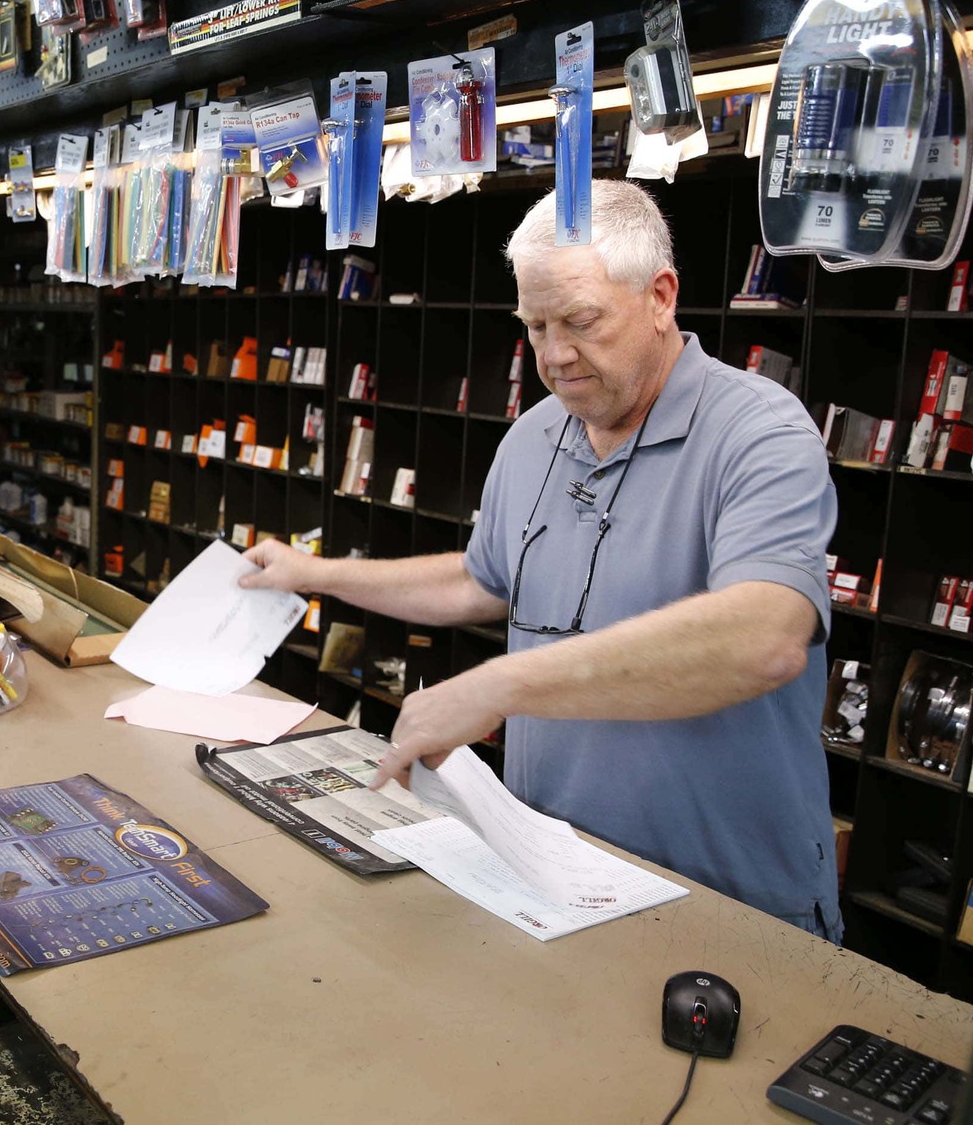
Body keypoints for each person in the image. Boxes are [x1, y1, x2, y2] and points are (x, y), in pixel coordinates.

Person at [241, 180, 842, 940]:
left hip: (724, 904)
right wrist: (315, 573)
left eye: (582, 321)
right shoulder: (534, 437)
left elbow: (766, 635)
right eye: (535, 326)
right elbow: (480, 579)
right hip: (552, 881)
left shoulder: (758, 432)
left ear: (661, 297)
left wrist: (498, 686)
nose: (556, 355)